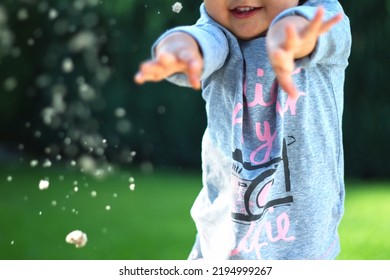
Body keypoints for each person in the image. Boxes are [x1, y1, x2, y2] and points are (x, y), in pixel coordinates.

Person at [134, 0, 351, 260]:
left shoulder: (325, 17)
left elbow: (310, 31)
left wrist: (290, 35)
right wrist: (178, 50)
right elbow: (198, 42)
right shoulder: (218, 32)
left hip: (305, 249)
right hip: (219, 248)